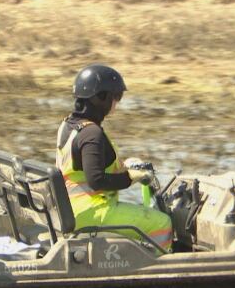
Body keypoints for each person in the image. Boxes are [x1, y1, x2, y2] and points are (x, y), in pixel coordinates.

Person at [56, 64, 173, 252]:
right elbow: (96, 180)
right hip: (92, 212)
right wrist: (130, 178)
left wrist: (124, 166)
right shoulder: (92, 133)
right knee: (163, 223)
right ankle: (159, 272)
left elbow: (82, 169)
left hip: (73, 209)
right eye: (116, 97)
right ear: (101, 97)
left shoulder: (69, 125)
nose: (117, 102)